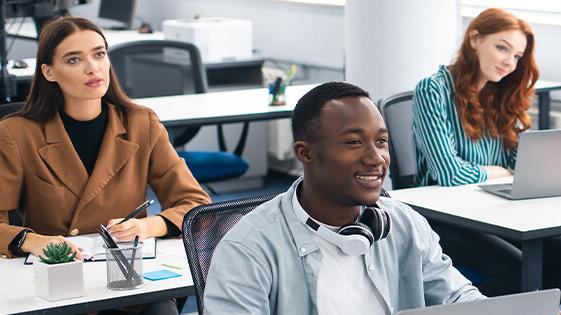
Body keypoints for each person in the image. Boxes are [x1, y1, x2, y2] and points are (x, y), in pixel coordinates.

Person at [204, 82, 485, 314]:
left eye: (381, 141)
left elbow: (458, 298)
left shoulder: (404, 223)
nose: (376, 159)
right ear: (305, 153)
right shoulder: (248, 248)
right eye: (354, 142)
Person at [0, 17, 210, 314]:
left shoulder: (141, 123)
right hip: (56, 287)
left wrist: (146, 226)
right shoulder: (16, 133)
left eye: (99, 54)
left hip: (125, 279)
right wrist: (33, 241)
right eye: (74, 59)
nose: (93, 67)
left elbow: (195, 203)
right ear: (49, 72)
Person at [411, 8, 561, 301]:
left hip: (490, 211)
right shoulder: (434, 89)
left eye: (517, 56)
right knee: (517, 269)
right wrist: (502, 172)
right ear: (475, 39)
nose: (509, 61)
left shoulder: (500, 95)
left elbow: (522, 165)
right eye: (502, 48)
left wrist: (539, 163)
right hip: (441, 216)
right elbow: (449, 174)